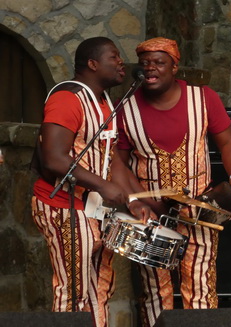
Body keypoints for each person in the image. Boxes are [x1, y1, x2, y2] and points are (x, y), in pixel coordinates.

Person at [116, 37, 231, 326]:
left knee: (200, 287)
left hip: (197, 210)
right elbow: (118, 163)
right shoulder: (125, 107)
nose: (150, 68)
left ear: (174, 67)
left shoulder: (204, 98)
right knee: (154, 291)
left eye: (159, 62)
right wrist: (138, 200)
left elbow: (227, 142)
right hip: (149, 213)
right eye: (145, 63)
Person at [30, 37, 153, 327]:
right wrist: (102, 185)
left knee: (99, 289)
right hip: (63, 206)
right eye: (114, 57)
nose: (121, 62)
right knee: (73, 294)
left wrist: (131, 201)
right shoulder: (67, 98)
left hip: (94, 209)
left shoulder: (102, 102)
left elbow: (111, 161)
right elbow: (54, 159)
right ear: (93, 64)